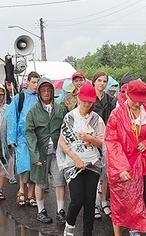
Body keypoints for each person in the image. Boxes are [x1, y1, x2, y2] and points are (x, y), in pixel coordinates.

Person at [105, 80, 146, 236]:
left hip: (143, 166)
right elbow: (112, 141)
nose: (137, 104)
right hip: (123, 166)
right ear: (127, 95)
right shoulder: (117, 115)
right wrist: (121, 167)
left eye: (140, 101)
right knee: (120, 204)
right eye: (134, 100)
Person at [56, 84, 105, 236]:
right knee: (77, 199)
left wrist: (90, 138)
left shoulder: (97, 119)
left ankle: (87, 232)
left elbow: (103, 143)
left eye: (90, 101)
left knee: (90, 201)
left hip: (93, 164)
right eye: (84, 100)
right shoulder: (70, 117)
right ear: (78, 97)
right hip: (73, 164)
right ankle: (69, 226)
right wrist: (76, 159)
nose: (86, 104)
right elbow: (62, 143)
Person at [26, 77, 67, 223]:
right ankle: (41, 210)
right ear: (38, 93)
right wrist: (35, 155)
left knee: (60, 180)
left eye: (48, 89)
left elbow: (66, 129)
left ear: (52, 91)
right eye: (43, 90)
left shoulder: (61, 109)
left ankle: (60, 210)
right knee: (40, 182)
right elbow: (29, 133)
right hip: (40, 152)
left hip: (58, 151)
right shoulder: (33, 112)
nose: (46, 92)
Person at [5, 71, 40, 207]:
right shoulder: (20, 98)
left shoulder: (40, 98)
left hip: (36, 139)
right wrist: (11, 138)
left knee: (34, 167)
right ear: (28, 81)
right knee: (23, 166)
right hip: (22, 139)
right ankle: (21, 191)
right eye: (33, 82)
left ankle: (30, 195)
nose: (35, 85)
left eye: (37, 82)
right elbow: (11, 117)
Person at [92, 71, 116, 219]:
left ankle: (103, 202)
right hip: (92, 138)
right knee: (94, 171)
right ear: (94, 81)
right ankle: (94, 203)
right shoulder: (89, 98)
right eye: (99, 80)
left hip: (107, 139)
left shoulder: (110, 100)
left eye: (104, 81)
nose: (102, 83)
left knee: (105, 173)